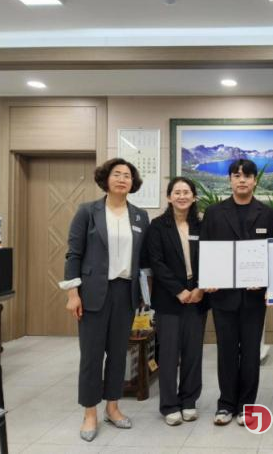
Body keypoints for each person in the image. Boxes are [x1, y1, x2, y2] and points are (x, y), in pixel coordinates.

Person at [60, 158, 150, 442]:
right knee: (91, 355)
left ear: (133, 183)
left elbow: (143, 259)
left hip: (126, 293)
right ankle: (90, 413)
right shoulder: (88, 211)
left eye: (127, 175)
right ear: (106, 179)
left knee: (119, 353)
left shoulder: (140, 216)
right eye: (117, 174)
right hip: (93, 293)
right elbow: (73, 254)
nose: (122, 179)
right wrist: (72, 293)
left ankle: (113, 407)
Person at [199, 159, 273, 426]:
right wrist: (208, 278)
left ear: (255, 180)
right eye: (236, 175)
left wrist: (267, 282)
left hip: (254, 297)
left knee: (250, 352)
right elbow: (205, 249)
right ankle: (225, 404)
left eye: (247, 176)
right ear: (230, 180)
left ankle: (247, 405)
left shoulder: (268, 214)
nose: (242, 180)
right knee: (226, 351)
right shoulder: (214, 212)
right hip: (223, 295)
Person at [146, 177, 209, 426]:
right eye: (177, 192)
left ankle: (189, 401)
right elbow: (156, 262)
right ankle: (169, 405)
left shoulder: (202, 226)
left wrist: (200, 288)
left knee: (193, 353)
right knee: (169, 354)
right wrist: (179, 291)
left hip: (198, 297)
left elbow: (212, 258)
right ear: (169, 197)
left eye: (186, 192)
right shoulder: (157, 226)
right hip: (169, 299)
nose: (182, 196)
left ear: (194, 197)